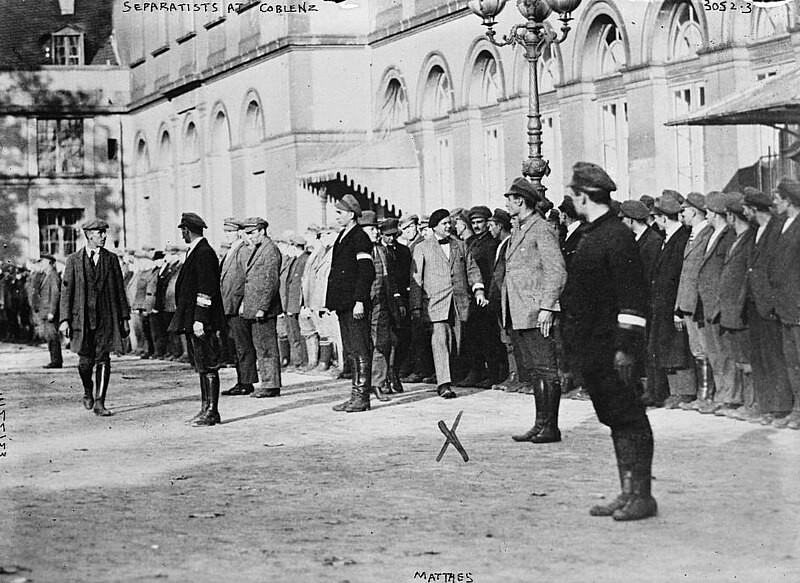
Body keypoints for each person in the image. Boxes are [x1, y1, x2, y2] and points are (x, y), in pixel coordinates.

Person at [561, 162, 657, 521]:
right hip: (595, 346)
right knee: (616, 418)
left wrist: (625, 350)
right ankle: (627, 492)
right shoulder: (594, 233)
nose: (570, 198)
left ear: (585, 197)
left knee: (630, 418)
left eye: (573, 193)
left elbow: (634, 299)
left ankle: (642, 496)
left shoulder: (616, 236)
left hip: (614, 348)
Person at [501, 178, 567, 444]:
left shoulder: (541, 229)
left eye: (509, 199)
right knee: (537, 372)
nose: (507, 204)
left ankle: (551, 427)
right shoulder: (520, 229)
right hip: (521, 311)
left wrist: (547, 307)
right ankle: (541, 424)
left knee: (546, 370)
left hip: (537, 312)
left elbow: (557, 270)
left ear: (520, 201)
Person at [410, 209, 486, 399]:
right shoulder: (422, 248)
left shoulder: (460, 245)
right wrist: (416, 306)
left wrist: (478, 290)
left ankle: (450, 375)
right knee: (440, 341)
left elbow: (472, 269)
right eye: (444, 223)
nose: (449, 226)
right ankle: (443, 384)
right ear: (434, 226)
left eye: (450, 222)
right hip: (435, 303)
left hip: (459, 303)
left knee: (455, 343)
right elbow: (416, 280)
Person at [59, 219, 131, 416]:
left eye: (104, 233)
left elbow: (119, 291)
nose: (104, 236)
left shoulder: (111, 259)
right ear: (89, 235)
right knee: (84, 362)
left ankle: (100, 402)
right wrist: (64, 319)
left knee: (103, 359)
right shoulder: (74, 260)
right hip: (81, 319)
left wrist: (124, 317)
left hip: (106, 319)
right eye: (100, 233)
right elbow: (66, 292)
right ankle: (88, 390)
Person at [168, 212, 225, 427]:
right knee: (202, 365)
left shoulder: (203, 253)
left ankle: (212, 411)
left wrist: (200, 319)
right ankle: (205, 408)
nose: (182, 235)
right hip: (195, 319)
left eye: (182, 230)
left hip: (202, 320)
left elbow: (206, 289)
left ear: (187, 230)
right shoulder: (197, 251)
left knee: (208, 365)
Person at [743, 187, 793, 424]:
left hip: (770, 305)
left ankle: (780, 407)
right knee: (761, 357)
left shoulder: (776, 229)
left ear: (754, 210)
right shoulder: (757, 230)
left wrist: (771, 302)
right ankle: (767, 405)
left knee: (775, 358)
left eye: (746, 208)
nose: (744, 212)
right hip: (755, 303)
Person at [326, 195, 376, 412]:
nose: (337, 217)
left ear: (351, 214)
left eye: (339, 213)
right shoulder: (343, 236)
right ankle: (355, 394)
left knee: (360, 348)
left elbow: (366, 273)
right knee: (351, 350)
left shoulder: (360, 237)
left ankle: (362, 397)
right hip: (343, 302)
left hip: (354, 303)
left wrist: (359, 301)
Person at [645, 196, 693, 408]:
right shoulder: (669, 238)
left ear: (664, 218)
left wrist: (678, 308)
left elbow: (677, 274)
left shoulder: (680, 239)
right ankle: (671, 392)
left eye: (656, 218)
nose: (655, 223)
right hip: (662, 303)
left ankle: (682, 392)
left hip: (672, 303)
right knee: (664, 347)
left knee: (676, 349)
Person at [673, 193, 716, 410]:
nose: (682, 215)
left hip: (698, 303)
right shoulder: (693, 235)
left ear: (694, 212)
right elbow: (685, 274)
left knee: (705, 348)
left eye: (684, 211)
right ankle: (703, 395)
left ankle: (707, 395)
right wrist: (679, 306)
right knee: (696, 349)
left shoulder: (707, 234)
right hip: (688, 302)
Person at [696, 192, 737, 414]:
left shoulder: (727, 236)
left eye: (709, 211)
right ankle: (721, 394)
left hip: (718, 303)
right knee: (714, 353)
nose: (707, 215)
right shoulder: (712, 235)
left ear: (716, 213)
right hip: (706, 303)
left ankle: (729, 396)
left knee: (725, 353)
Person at [768, 178, 800, 429]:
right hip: (785, 306)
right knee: (792, 361)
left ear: (789, 200)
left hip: (796, 306)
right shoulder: (782, 224)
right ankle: (797, 409)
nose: (774, 202)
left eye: (778, 198)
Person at [241, 217, 283, 399]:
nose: (250, 237)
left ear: (262, 231)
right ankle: (267, 382)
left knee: (267, 347)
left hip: (263, 308)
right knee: (261, 346)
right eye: (248, 233)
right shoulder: (260, 249)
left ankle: (271, 384)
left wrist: (263, 308)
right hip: (256, 307)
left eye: (252, 233)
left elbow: (270, 282)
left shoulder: (269, 250)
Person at [218, 218, 258, 396]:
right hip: (229, 304)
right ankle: (241, 380)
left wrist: (243, 302)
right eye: (225, 232)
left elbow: (247, 278)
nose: (227, 234)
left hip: (238, 305)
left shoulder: (243, 251)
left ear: (239, 232)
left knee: (243, 345)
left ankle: (246, 382)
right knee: (235, 344)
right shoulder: (231, 251)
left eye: (230, 232)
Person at [380, 218, 411, 394]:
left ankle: (395, 372)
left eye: (393, 235)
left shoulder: (404, 251)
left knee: (402, 339)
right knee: (388, 341)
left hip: (402, 300)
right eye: (387, 236)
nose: (390, 239)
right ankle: (385, 377)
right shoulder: (378, 251)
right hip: (385, 301)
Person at [36, 254, 63, 369]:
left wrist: (52, 311)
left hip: (50, 312)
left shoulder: (53, 276)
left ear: (50, 263)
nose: (41, 264)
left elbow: (56, 295)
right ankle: (54, 360)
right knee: (49, 337)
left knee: (52, 337)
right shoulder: (46, 276)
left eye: (43, 262)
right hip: (45, 311)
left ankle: (56, 361)